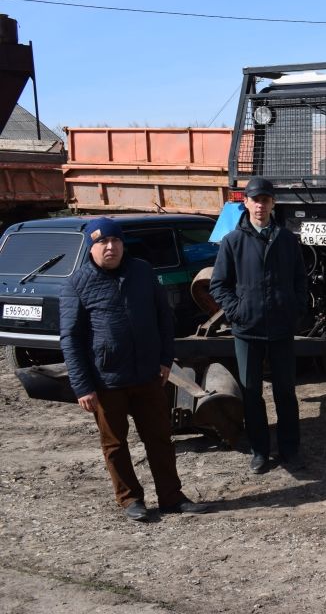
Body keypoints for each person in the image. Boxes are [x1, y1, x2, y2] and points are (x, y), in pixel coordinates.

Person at [60, 217, 207, 521]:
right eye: (102, 242)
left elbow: (164, 319)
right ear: (91, 247)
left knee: (160, 439)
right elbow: (71, 339)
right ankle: (130, 499)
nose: (110, 247)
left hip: (148, 376)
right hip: (106, 381)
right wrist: (83, 387)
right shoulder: (76, 284)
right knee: (114, 444)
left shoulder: (142, 272)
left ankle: (171, 496)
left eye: (115, 241)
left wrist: (165, 360)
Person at [210, 177, 309, 474]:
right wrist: (237, 311)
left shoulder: (287, 240)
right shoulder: (233, 241)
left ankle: (290, 449)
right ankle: (260, 451)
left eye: (265, 200)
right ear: (246, 202)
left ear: (272, 203)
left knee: (285, 392)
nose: (260, 205)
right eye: (255, 200)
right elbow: (218, 284)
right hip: (247, 329)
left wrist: (295, 309)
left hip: (281, 328)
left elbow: (300, 281)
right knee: (251, 392)